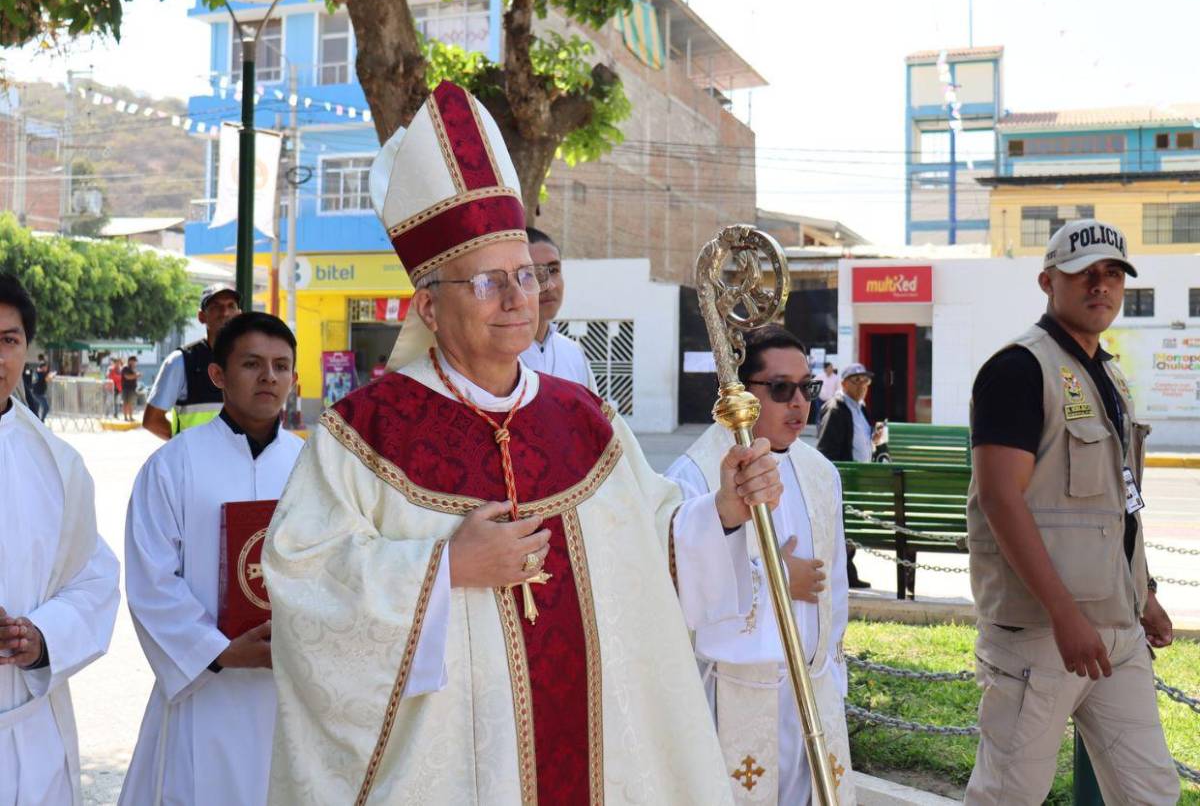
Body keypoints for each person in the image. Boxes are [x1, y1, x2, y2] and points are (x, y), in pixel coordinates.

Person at [263, 81, 782, 804]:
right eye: (486, 283)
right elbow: (304, 579)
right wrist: (445, 568)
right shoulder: (366, 433)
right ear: (429, 306)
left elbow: (651, 546)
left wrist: (723, 508)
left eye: (526, 277)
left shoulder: (585, 419)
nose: (516, 300)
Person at [965, 219, 1178, 804]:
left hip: (1117, 630)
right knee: (1009, 794)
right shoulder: (1018, 370)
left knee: (1151, 793)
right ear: (1047, 282)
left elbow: (1118, 503)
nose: (1100, 285)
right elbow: (999, 498)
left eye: (1113, 273)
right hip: (1041, 633)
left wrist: (1144, 591)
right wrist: (1063, 614)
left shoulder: (1107, 373)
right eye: (1083, 273)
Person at [666, 325, 855, 805]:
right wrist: (777, 579)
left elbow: (834, 585)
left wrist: (831, 675)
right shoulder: (695, 476)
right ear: (741, 393)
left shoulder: (820, 473)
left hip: (809, 687)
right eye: (781, 389)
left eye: (807, 387)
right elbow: (678, 588)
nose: (800, 403)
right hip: (733, 694)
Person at [120, 312, 304, 805]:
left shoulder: (313, 467)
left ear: (294, 378)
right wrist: (216, 651)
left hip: (289, 687)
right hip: (205, 687)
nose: (268, 377)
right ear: (218, 374)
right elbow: (152, 580)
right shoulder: (172, 465)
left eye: (281, 366)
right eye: (252, 364)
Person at [0, 273, 120, 806]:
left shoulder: (57, 464)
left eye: (8, 339)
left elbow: (93, 577)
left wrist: (42, 636)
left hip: (30, 728)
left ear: (26, 348)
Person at [143, 283, 241, 439]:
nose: (225, 312)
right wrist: (188, 447)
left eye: (231, 306)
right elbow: (152, 421)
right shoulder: (180, 361)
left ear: (239, 314)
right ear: (201, 317)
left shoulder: (252, 360)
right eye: (216, 307)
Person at [816, 363, 881, 591]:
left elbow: (856, 438)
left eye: (866, 381)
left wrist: (872, 439)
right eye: (856, 380)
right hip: (845, 480)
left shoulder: (860, 407)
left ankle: (847, 571)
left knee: (849, 529)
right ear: (843, 383)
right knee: (843, 528)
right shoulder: (836, 408)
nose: (862, 385)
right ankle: (845, 573)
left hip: (856, 481)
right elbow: (826, 450)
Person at [519, 226, 597, 390]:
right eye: (532, 273)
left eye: (553, 270)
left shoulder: (573, 353)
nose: (549, 285)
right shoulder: (497, 356)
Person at [30, 353, 53, 421]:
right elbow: (46, 379)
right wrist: (51, 376)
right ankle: (41, 421)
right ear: (43, 367)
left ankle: (37, 421)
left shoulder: (38, 372)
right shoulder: (41, 373)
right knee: (46, 407)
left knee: (36, 408)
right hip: (38, 393)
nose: (47, 368)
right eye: (46, 367)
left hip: (36, 393)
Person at [120, 356, 141, 422]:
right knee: (126, 403)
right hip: (126, 388)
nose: (135, 363)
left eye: (135, 362)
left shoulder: (132, 369)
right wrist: (136, 375)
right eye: (134, 361)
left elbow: (133, 377)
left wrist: (136, 375)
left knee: (130, 403)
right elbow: (127, 377)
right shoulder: (125, 368)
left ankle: (130, 417)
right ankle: (125, 417)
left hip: (132, 389)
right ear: (130, 361)